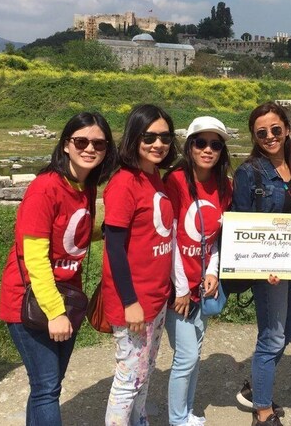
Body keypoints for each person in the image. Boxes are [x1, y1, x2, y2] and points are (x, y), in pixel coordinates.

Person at [0, 112, 117, 425]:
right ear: (66, 145)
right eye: (81, 141)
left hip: (66, 297)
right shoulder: (44, 189)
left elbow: (70, 236)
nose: (90, 148)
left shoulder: (85, 186)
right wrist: (55, 312)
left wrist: (105, 231)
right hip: (32, 300)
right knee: (47, 387)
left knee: (47, 387)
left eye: (99, 144)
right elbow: (34, 257)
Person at [232, 101, 291, 426]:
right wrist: (260, 266)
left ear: (287, 131)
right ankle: (262, 410)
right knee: (273, 336)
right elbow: (240, 226)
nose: (270, 136)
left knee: (289, 330)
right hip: (268, 271)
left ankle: (255, 383)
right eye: (261, 132)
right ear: (254, 136)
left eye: (275, 130)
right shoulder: (248, 172)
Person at [102, 104, 178, 426]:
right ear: (134, 138)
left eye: (164, 137)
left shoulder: (154, 176)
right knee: (128, 377)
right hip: (134, 301)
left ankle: (140, 419)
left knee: (145, 369)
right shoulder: (124, 183)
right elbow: (115, 248)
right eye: (149, 136)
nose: (158, 144)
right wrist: (130, 302)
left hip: (156, 296)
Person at [164, 116, 233, 426]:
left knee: (195, 353)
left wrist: (213, 271)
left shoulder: (223, 185)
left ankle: (188, 410)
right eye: (201, 143)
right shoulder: (174, 181)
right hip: (177, 287)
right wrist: (180, 288)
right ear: (189, 146)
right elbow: (170, 237)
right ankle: (178, 419)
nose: (208, 150)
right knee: (186, 356)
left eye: (215, 144)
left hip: (202, 282)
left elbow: (216, 238)